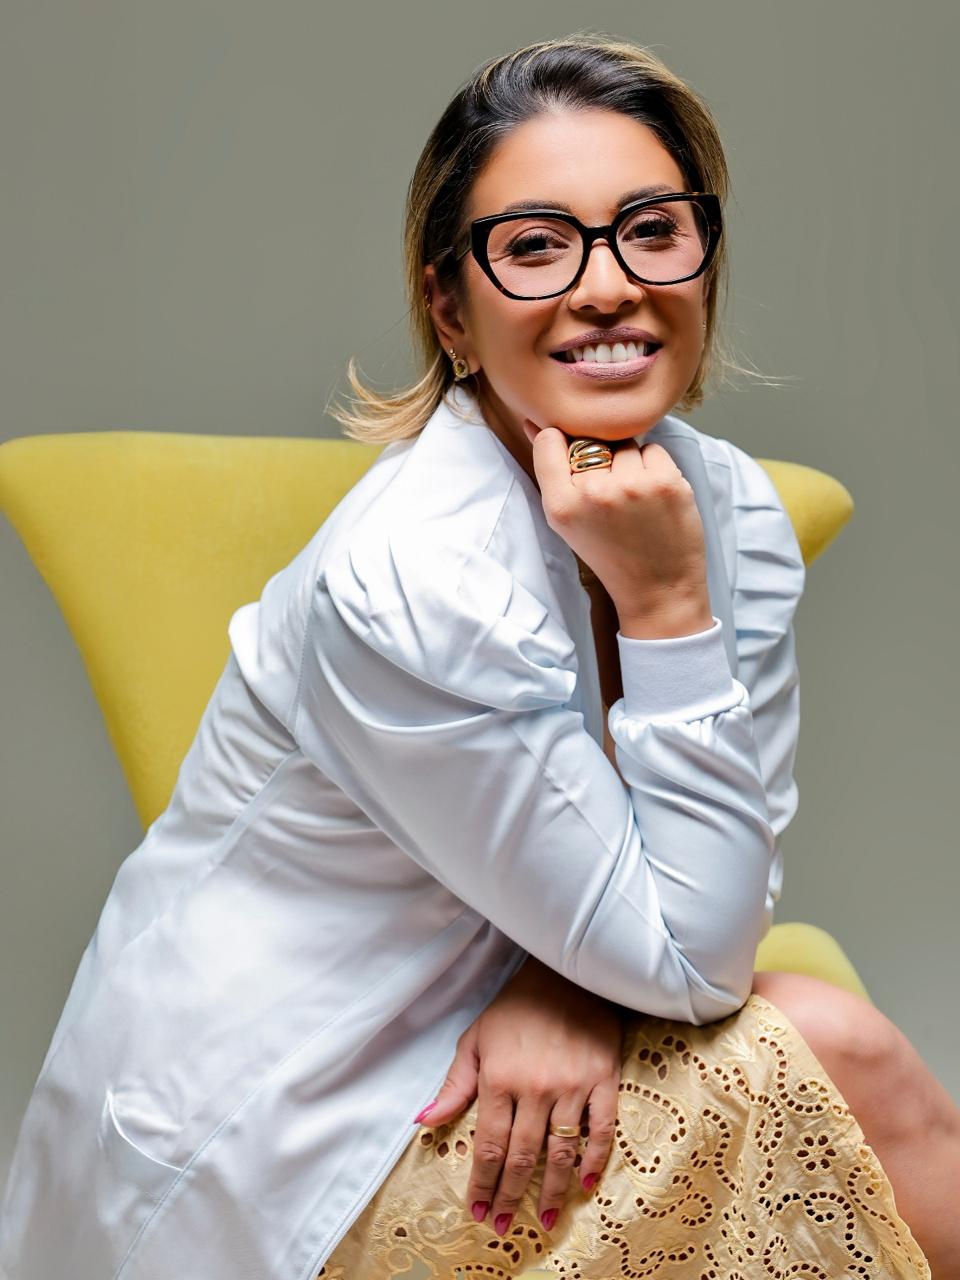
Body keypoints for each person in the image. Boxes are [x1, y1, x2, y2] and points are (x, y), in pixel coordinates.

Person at [2, 31, 957, 1280]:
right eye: (537, 245)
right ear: (449, 306)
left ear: (705, 261)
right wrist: (667, 608)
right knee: (840, 1047)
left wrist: (572, 990)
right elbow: (696, 956)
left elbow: (729, 876)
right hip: (293, 1126)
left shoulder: (728, 509)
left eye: (652, 230)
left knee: (832, 1053)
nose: (608, 284)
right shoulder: (410, 576)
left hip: (503, 1035)